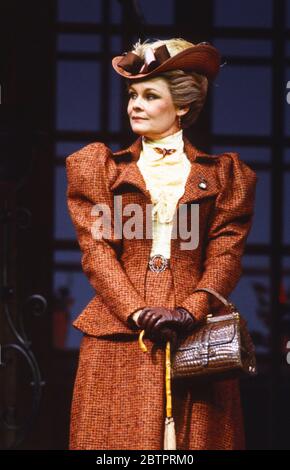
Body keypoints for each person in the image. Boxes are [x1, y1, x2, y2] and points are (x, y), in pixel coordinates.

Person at [66, 37, 257, 450]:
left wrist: (191, 309)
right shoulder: (100, 169)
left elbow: (226, 253)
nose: (134, 104)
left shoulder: (225, 176)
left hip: (196, 337)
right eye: (132, 94)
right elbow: (97, 252)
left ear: (183, 106)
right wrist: (136, 310)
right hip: (117, 334)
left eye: (150, 95)